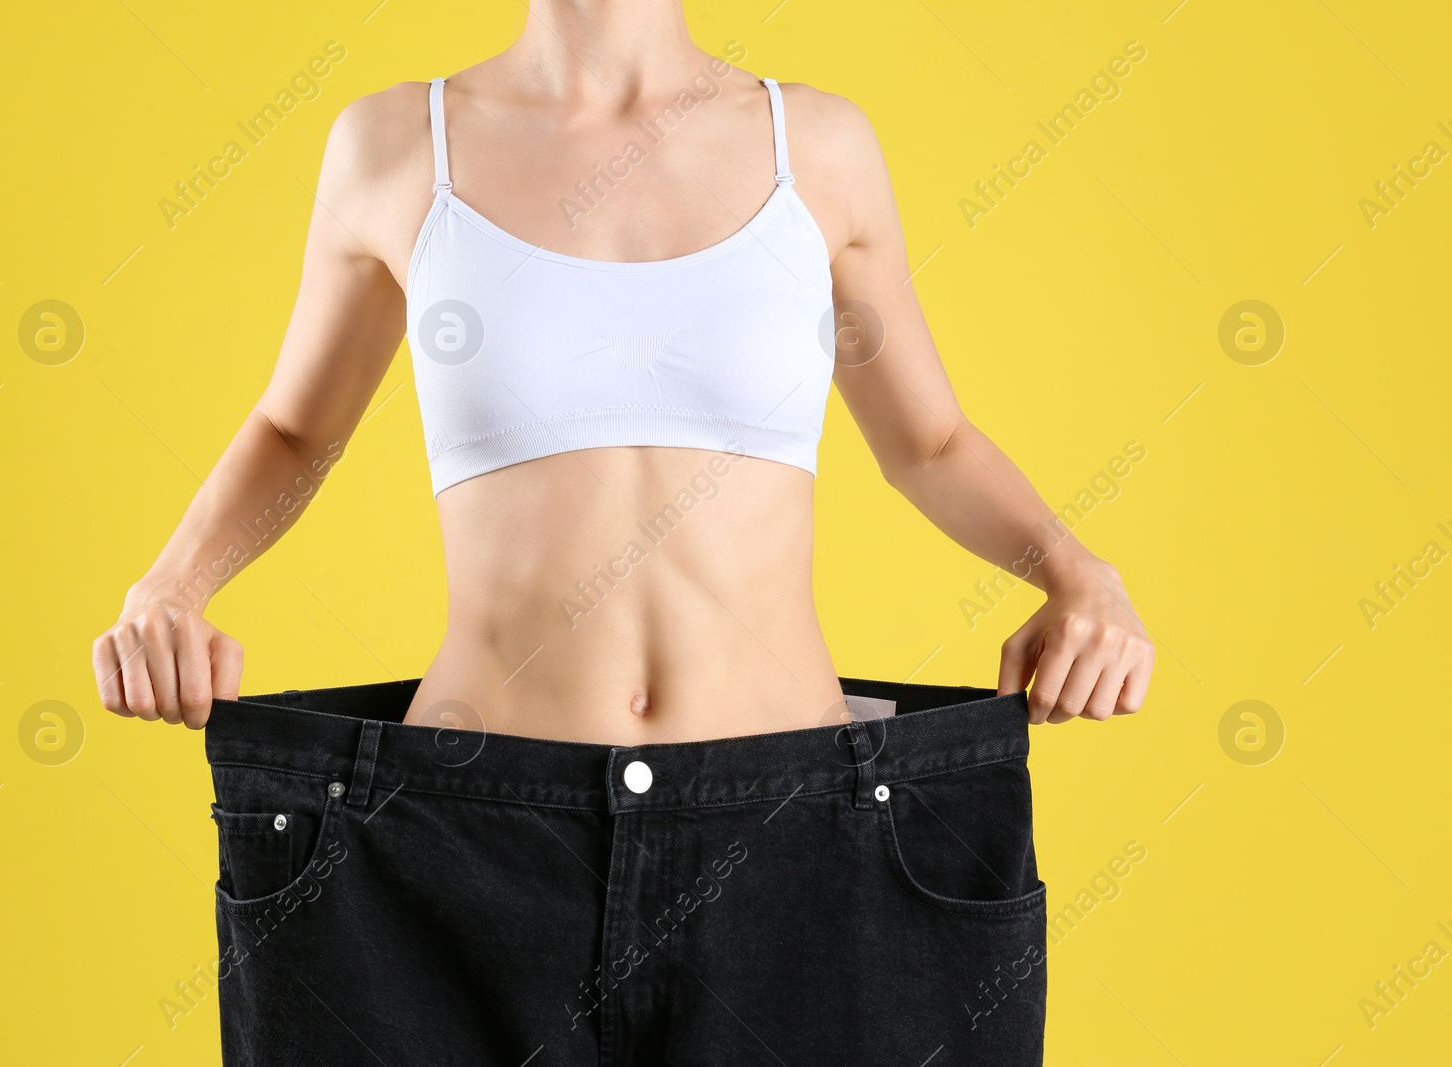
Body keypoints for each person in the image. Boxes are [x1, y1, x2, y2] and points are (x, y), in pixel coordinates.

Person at [93, 4, 1153, 1063]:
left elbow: (928, 440)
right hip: (465, 847)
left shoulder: (818, 147)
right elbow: (293, 430)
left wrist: (1078, 573)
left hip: (798, 842)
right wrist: (168, 588)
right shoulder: (395, 144)